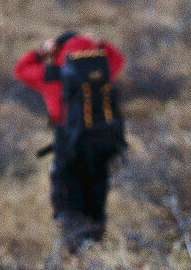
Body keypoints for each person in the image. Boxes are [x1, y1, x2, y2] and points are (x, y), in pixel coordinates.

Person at [13, 32, 126, 253]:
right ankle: (95, 242)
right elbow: (118, 58)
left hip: (70, 141)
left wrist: (42, 51)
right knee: (96, 189)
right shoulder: (102, 69)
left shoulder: (54, 73)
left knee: (69, 193)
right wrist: (100, 42)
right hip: (103, 140)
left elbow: (21, 69)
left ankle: (76, 249)